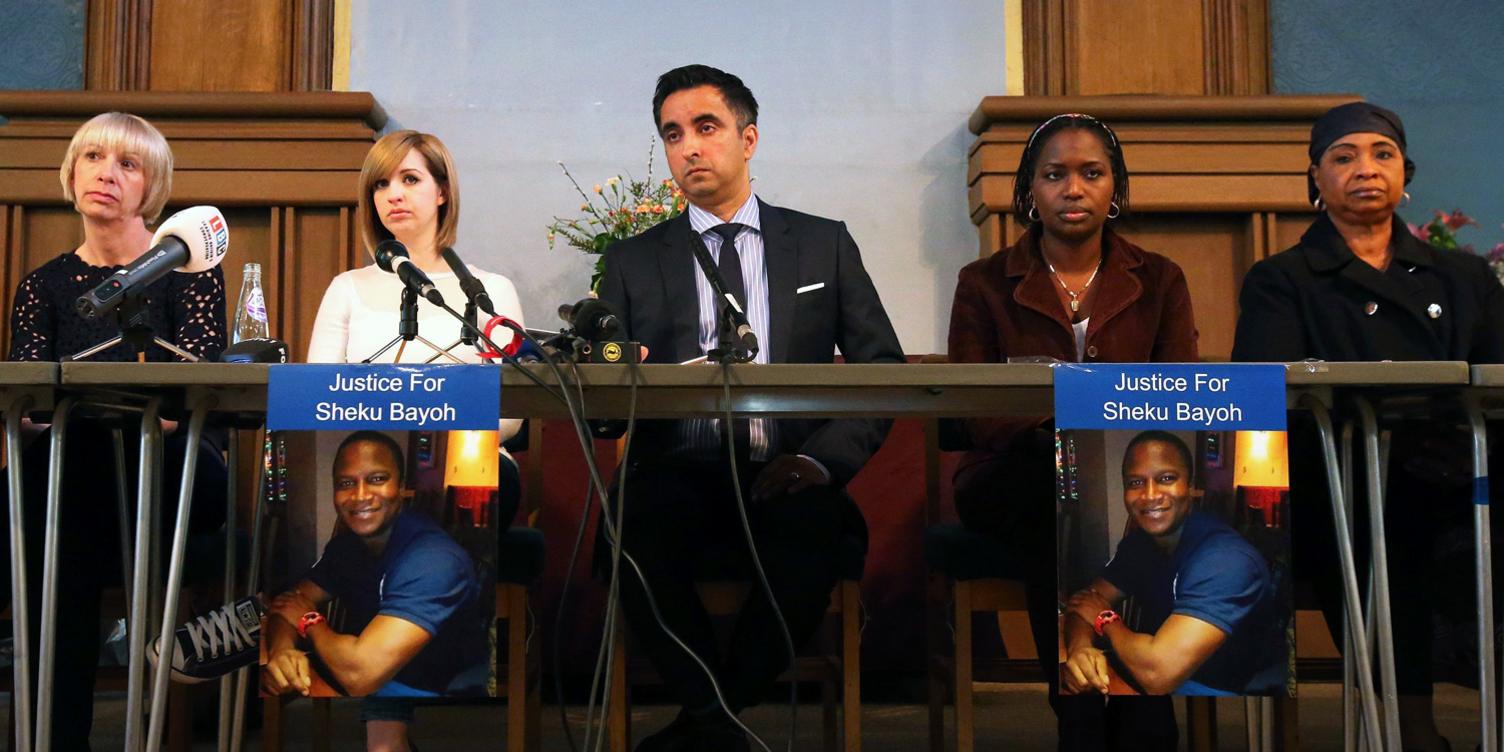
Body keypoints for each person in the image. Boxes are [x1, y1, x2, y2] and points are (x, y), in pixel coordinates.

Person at [596, 64, 905, 751]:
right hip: (674, 471)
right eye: (673, 135)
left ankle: (700, 729)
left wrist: (821, 462)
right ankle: (720, 724)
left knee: (817, 531)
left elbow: (882, 369)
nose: (689, 149)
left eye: (706, 128)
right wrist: (612, 383)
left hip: (785, 470)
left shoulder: (823, 243)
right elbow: (604, 414)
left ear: (749, 138)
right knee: (631, 537)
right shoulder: (632, 262)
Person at [1232, 101, 1504, 752]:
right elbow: (1270, 394)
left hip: (1457, 465)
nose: (1365, 170)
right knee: (1389, 521)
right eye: (1344, 157)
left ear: (1405, 176)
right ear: (1316, 181)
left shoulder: (1463, 276)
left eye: (1382, 155)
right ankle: (1412, 726)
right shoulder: (1282, 280)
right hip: (1342, 476)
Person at [945, 112, 1197, 750]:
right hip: (1014, 476)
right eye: (1054, 175)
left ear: (1117, 187)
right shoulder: (983, 284)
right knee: (1057, 499)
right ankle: (1134, 718)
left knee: (1105, 507)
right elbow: (972, 408)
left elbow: (1182, 395)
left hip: (1128, 479)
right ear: (1030, 190)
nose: (1073, 188)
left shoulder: (1161, 279)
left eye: (1091, 173)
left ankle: (1087, 713)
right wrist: (1062, 439)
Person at [1, 111, 228, 750]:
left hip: (179, 470)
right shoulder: (43, 285)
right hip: (76, 474)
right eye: (94, 158)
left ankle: (55, 735)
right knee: (61, 508)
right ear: (71, 174)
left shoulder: (190, 271)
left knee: (56, 507)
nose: (107, 173)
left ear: (152, 188)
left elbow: (200, 388)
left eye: (128, 164)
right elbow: (29, 402)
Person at [304, 130, 524, 750]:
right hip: (379, 464)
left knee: (402, 533)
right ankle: (389, 726)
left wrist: (437, 410)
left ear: (443, 192)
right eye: (380, 183)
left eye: (409, 179)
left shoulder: (488, 291)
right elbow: (317, 402)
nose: (392, 195)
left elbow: (511, 420)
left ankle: (388, 717)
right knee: (373, 527)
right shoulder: (348, 289)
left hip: (476, 464)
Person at [261, 432, 487, 740]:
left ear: (402, 487)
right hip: (372, 665)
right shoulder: (346, 546)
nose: (360, 495)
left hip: (438, 686)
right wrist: (283, 650)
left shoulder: (434, 559)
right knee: (274, 672)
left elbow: (360, 675)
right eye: (346, 483)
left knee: (380, 734)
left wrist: (309, 620)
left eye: (377, 479)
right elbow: (292, 601)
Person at [1062, 431, 1283, 697]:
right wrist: (1080, 649)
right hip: (1150, 669)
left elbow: (1158, 674)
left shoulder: (1227, 560)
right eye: (1135, 482)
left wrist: (1105, 619)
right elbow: (1085, 602)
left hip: (1223, 693)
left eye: (1166, 478)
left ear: (1190, 486)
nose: (1150, 495)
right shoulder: (1139, 544)